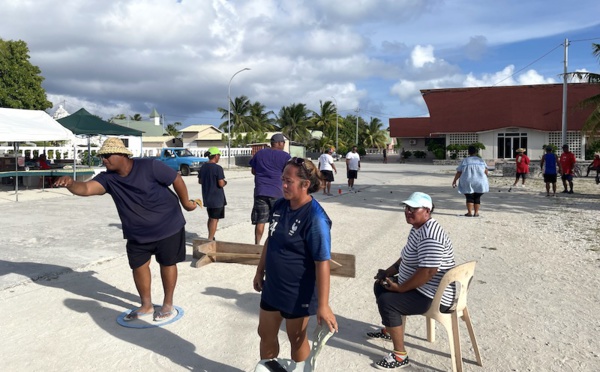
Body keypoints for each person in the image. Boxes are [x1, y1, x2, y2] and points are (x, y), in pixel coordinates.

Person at [53, 137, 197, 321]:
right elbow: (87, 188)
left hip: (167, 225)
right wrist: (71, 184)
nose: (103, 159)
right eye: (102, 156)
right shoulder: (108, 178)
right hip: (136, 232)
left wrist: (186, 202)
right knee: (138, 266)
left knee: (167, 263)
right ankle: (146, 305)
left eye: (107, 155)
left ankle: (167, 303)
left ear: (122, 155)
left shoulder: (150, 166)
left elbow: (175, 178)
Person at [253, 157, 338, 363]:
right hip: (273, 287)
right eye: (282, 179)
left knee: (297, 339)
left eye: (288, 181)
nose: (283, 185)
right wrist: (259, 270)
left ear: (305, 184)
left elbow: (322, 262)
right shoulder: (280, 206)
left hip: (298, 293)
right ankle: (269, 368)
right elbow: (270, 240)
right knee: (265, 334)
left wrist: (323, 305)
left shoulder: (316, 218)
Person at [368, 192, 455, 369]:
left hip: (434, 296)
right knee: (380, 285)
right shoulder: (417, 228)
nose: (408, 211)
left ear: (427, 211)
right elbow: (405, 259)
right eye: (407, 208)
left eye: (413, 208)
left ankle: (400, 356)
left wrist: (400, 288)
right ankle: (391, 329)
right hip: (424, 288)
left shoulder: (430, 235)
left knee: (388, 301)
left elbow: (428, 272)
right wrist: (388, 272)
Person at [249, 133, 291, 245]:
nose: (283, 144)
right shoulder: (285, 156)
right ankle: (274, 245)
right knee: (277, 220)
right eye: (283, 142)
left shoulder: (259, 153)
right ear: (279, 143)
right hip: (277, 192)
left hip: (260, 191)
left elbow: (253, 171)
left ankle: (257, 244)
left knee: (260, 220)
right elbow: (289, 174)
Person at [198, 147, 227, 241]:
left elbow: (200, 181)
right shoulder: (218, 168)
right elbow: (221, 183)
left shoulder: (203, 167)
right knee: (214, 219)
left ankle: (211, 236)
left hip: (207, 197)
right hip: (217, 198)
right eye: (219, 155)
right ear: (216, 156)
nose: (219, 158)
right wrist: (225, 182)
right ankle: (210, 239)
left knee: (211, 218)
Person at [451, 145, 489, 217]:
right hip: (480, 181)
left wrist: (454, 181)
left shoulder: (465, 160)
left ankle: (469, 213)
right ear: (476, 152)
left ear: (469, 152)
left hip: (468, 180)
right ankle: (476, 213)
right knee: (477, 197)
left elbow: (459, 172)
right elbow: (486, 171)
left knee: (469, 196)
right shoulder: (481, 160)